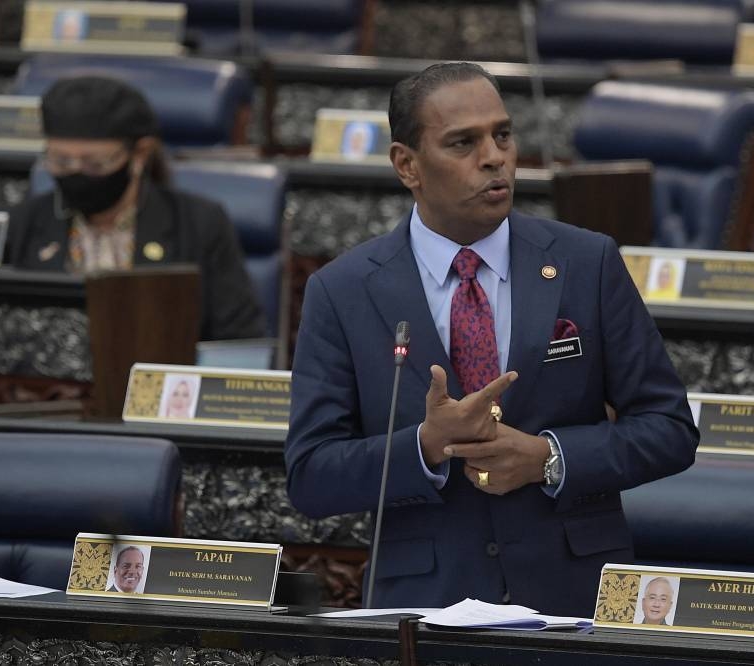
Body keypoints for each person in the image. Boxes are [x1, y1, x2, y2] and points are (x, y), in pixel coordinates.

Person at [284, 62, 698, 617]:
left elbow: (670, 429)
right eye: (463, 143)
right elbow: (311, 475)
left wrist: (548, 458)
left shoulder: (586, 262)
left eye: (502, 135)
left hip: (575, 597)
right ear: (407, 165)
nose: (494, 157)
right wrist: (426, 445)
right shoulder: (343, 290)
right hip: (425, 607)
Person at [5, 76, 264, 341]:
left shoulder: (199, 223)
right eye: (61, 161)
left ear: (140, 154)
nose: (76, 173)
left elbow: (239, 339)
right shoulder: (23, 223)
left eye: (94, 164)